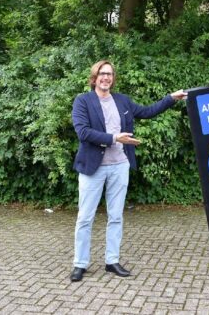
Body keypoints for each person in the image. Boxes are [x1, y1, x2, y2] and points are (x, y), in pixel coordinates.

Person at [70, 60, 187, 282]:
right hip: (92, 168)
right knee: (85, 217)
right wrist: (115, 138)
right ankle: (80, 264)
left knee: (116, 216)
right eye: (102, 74)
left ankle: (112, 261)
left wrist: (172, 98)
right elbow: (83, 132)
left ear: (113, 78)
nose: (106, 78)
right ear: (94, 77)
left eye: (110, 74)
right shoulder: (83, 101)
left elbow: (147, 111)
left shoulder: (122, 100)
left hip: (119, 165)